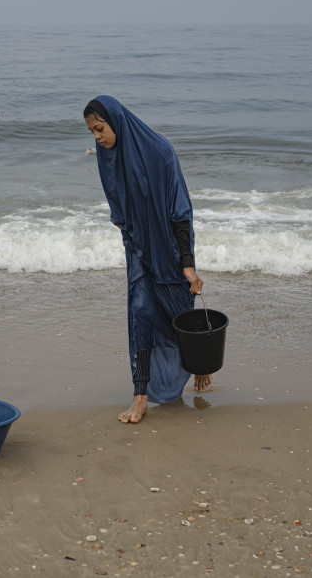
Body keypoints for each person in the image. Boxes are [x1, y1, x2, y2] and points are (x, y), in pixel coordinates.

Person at [84, 95, 210, 424]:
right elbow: (119, 208)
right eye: (92, 132)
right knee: (140, 312)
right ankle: (139, 396)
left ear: (117, 122)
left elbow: (180, 213)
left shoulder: (160, 152)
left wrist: (188, 264)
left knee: (178, 319)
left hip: (169, 250)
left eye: (100, 129)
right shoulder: (106, 155)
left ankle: (199, 367)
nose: (97, 138)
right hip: (138, 249)